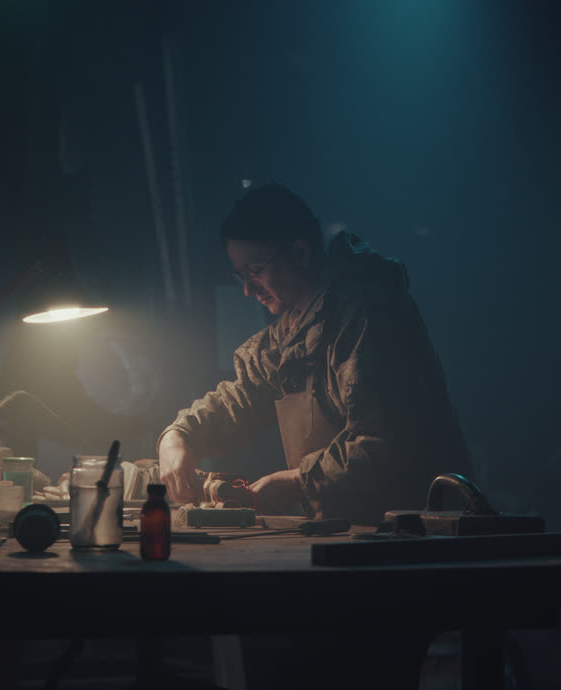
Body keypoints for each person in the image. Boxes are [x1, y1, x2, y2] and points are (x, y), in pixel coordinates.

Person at [158, 183, 472, 524]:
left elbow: (385, 444)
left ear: (301, 253)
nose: (248, 290)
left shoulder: (368, 315)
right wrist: (179, 435)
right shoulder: (289, 333)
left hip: (419, 538)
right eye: (241, 277)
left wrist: (298, 482)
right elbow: (243, 396)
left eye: (256, 271)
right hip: (350, 536)